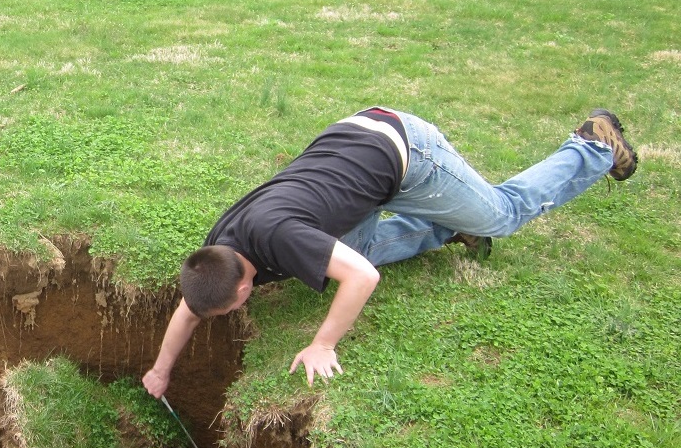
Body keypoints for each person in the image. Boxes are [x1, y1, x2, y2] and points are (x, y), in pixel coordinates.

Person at [142, 107, 637, 397]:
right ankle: (444, 229)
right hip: (351, 153)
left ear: (245, 286)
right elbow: (190, 311)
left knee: (501, 216)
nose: (228, 313)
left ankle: (591, 145)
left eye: (231, 307)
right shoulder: (219, 251)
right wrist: (162, 371)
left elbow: (361, 280)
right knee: (358, 253)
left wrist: (323, 345)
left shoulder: (282, 241)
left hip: (405, 152)